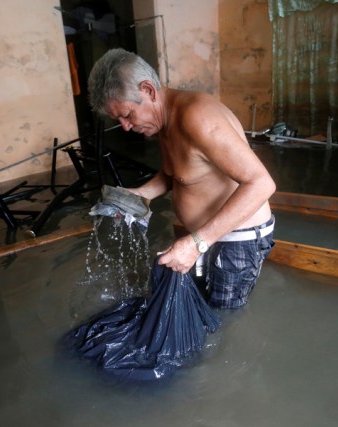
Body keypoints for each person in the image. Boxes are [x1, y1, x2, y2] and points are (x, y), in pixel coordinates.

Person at [88, 48, 276, 309]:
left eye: (128, 114)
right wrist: (140, 195)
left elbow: (261, 183)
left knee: (223, 316)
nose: (125, 126)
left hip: (236, 240)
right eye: (118, 119)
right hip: (206, 236)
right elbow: (176, 172)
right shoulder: (164, 121)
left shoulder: (197, 116)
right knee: (198, 307)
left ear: (149, 91)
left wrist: (196, 243)